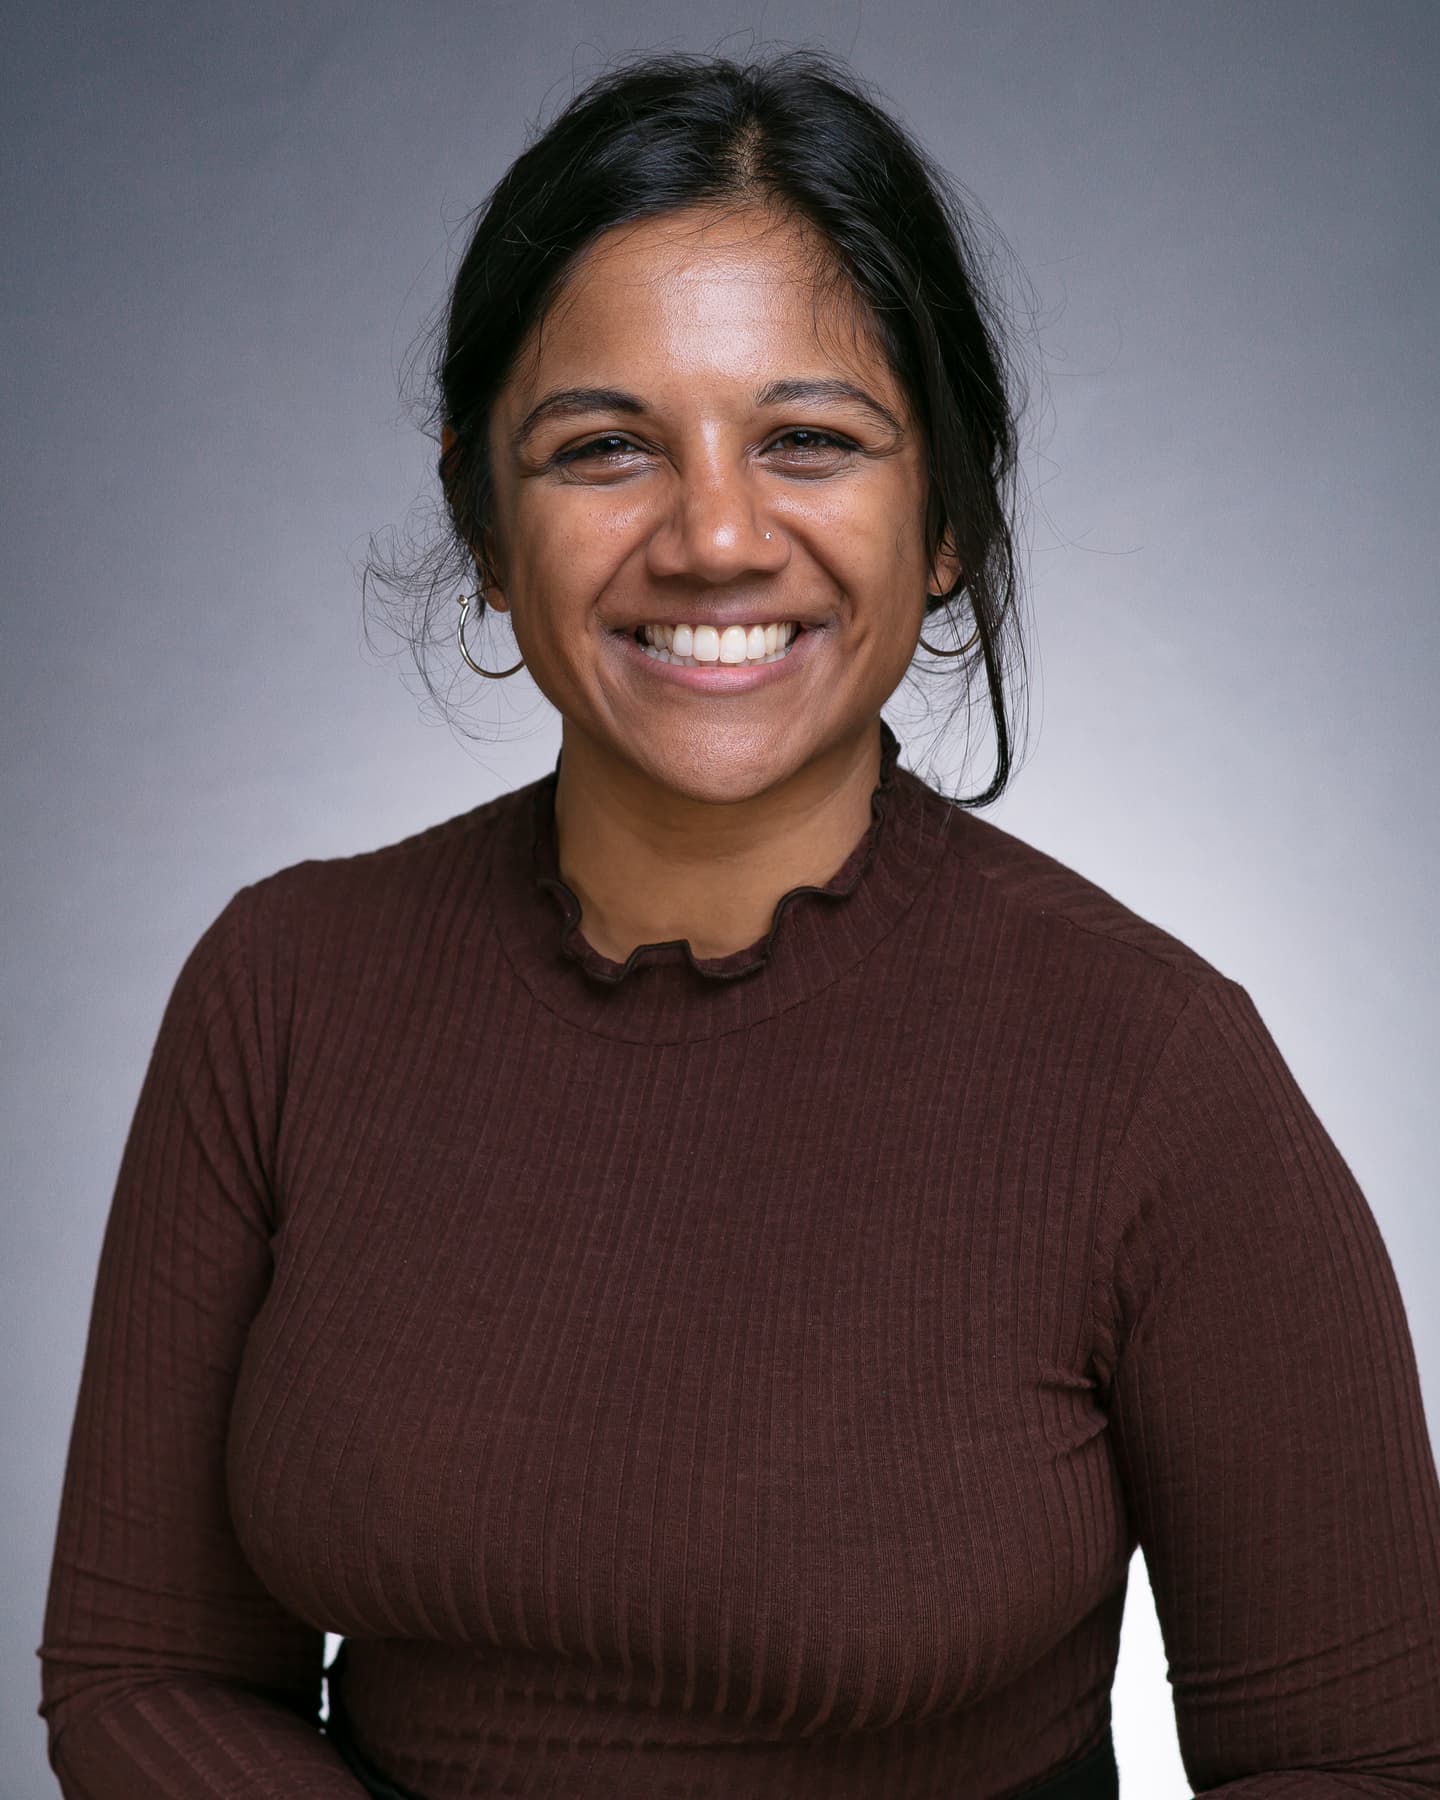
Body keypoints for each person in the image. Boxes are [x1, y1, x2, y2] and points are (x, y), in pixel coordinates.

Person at [37, 46, 1440, 1800]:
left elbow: (1371, 1763)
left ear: (945, 520)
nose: (712, 535)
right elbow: (142, 1673)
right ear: (486, 525)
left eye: (809, 441)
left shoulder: (1151, 1068)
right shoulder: (285, 991)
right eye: (604, 446)